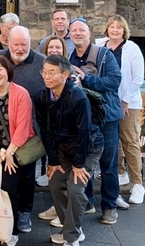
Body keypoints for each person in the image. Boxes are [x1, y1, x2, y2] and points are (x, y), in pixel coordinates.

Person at [35, 54, 100, 246]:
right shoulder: (41, 97)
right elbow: (45, 131)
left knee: (75, 188)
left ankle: (71, 238)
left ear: (65, 74)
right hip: (62, 148)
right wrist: (53, 160)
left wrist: (79, 164)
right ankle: (72, 229)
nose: (46, 76)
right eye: (44, 72)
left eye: (52, 73)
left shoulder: (77, 97)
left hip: (88, 147)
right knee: (55, 184)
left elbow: (85, 132)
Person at [0, 53, 36, 246]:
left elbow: (23, 126)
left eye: (0, 68)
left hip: (17, 147)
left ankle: (11, 230)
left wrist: (9, 153)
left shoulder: (21, 94)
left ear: (7, 71)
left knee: (9, 189)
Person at [68, 18, 122, 226]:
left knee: (108, 165)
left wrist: (86, 79)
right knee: (83, 163)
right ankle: (88, 201)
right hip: (84, 120)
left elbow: (115, 81)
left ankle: (109, 207)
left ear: (89, 33)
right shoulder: (70, 57)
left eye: (82, 30)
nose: (78, 33)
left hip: (106, 117)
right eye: (74, 31)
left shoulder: (104, 55)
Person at [0, 25, 47, 232]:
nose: (20, 48)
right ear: (7, 42)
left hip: (29, 131)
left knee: (26, 175)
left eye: (24, 44)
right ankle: (3, 212)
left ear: (30, 43)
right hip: (1, 129)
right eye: (16, 44)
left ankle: (25, 212)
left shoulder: (42, 62)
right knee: (4, 174)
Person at [95, 15, 145, 205]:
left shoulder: (131, 48)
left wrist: (124, 101)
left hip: (128, 103)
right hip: (106, 102)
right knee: (112, 141)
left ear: (124, 31)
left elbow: (138, 78)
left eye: (119, 28)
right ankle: (120, 173)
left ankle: (137, 184)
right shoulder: (99, 46)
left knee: (130, 141)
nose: (115, 30)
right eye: (112, 27)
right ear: (107, 29)